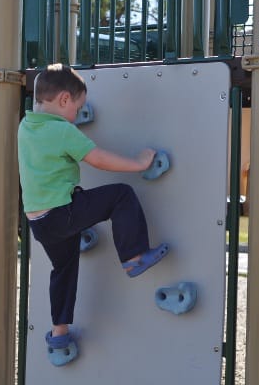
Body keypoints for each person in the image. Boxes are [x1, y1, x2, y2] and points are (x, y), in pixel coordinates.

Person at [18, 63, 169, 366]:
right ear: (63, 100)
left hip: (39, 222)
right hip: (63, 212)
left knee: (64, 269)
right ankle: (134, 255)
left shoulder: (26, 126)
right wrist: (139, 164)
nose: (78, 114)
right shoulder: (61, 129)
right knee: (121, 195)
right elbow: (98, 159)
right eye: (78, 107)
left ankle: (59, 331)